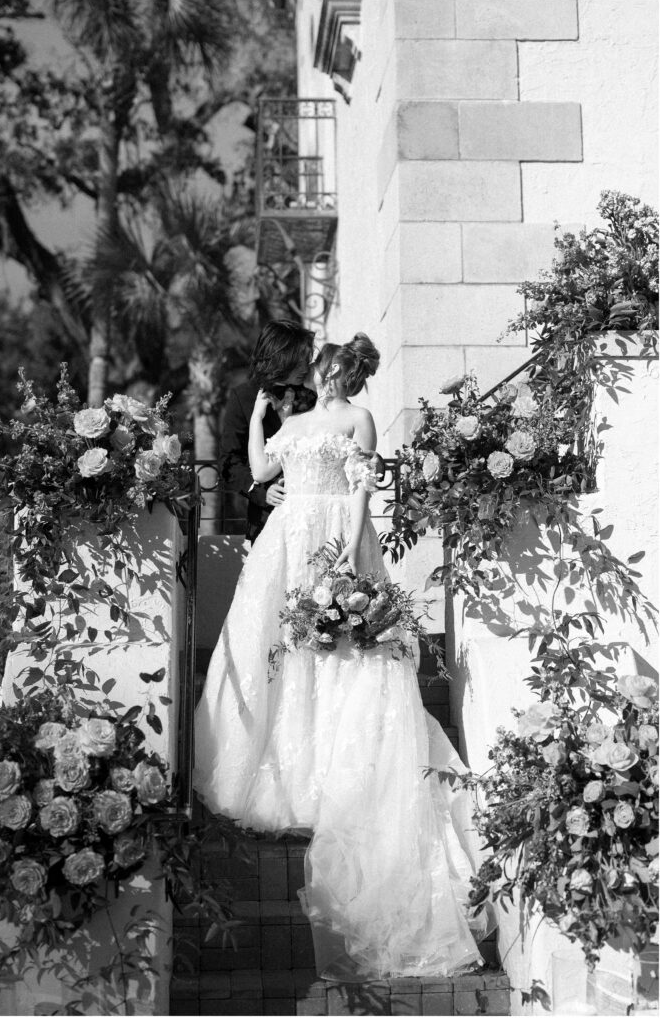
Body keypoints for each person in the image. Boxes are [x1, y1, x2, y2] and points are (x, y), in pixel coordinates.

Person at [193, 334, 492, 981]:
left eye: (337, 370)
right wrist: (254, 421)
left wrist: (354, 556)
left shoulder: (359, 418)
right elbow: (263, 470)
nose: (329, 377)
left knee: (339, 654)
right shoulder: (294, 420)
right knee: (283, 652)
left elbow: (359, 494)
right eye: (326, 369)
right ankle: (283, 768)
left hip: (333, 537)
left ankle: (333, 766)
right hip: (286, 537)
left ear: (347, 375)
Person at [219, 318, 316, 543]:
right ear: (281, 358)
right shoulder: (242, 397)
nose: (305, 366)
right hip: (266, 520)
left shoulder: (315, 394)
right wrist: (261, 492)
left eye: (307, 359)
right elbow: (229, 461)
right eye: (299, 360)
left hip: (314, 514)